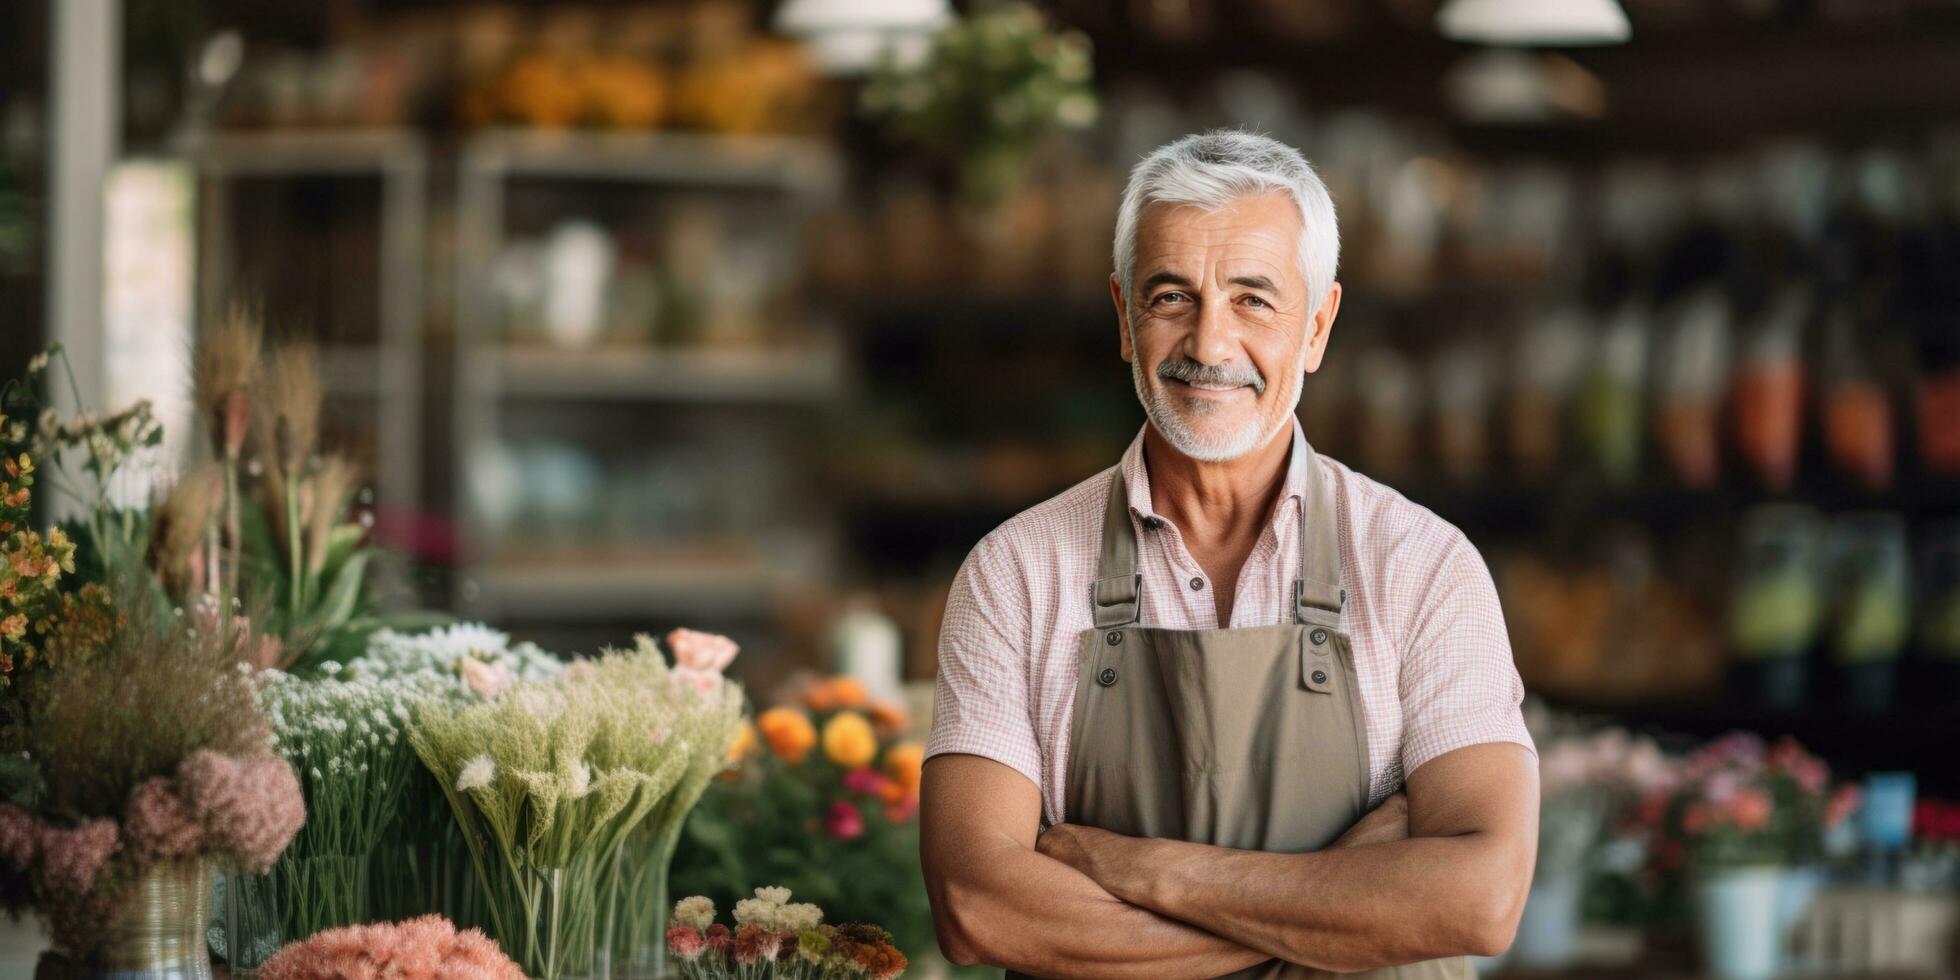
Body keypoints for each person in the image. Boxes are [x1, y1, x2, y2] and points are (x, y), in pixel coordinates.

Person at [919, 130, 1539, 979]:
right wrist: (1342, 902)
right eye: (1173, 296)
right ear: (1124, 319)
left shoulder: (1422, 565)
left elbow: (1479, 898)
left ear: (1317, 327)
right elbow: (977, 907)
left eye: (1254, 300)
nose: (1209, 346)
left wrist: (1150, 871)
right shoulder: (1016, 572)